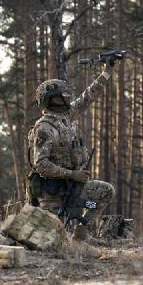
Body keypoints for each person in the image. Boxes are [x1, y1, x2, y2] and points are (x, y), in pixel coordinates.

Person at [26, 61, 117, 240]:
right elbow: (41, 164)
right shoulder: (44, 127)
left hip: (73, 189)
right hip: (52, 195)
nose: (67, 98)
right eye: (62, 96)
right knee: (51, 240)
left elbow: (87, 97)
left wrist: (106, 72)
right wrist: (71, 174)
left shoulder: (65, 117)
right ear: (51, 99)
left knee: (105, 192)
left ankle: (82, 231)